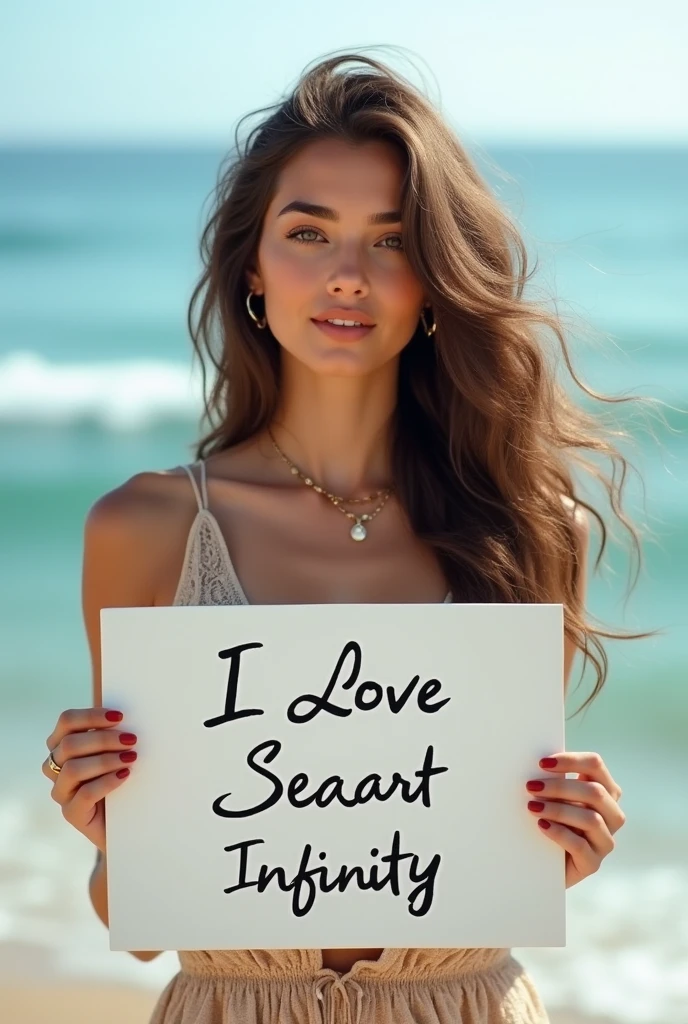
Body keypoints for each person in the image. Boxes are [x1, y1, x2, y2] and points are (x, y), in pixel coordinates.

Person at [43, 50, 651, 1024]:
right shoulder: (145, 527)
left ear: (435, 277)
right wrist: (110, 829)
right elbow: (139, 915)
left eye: (390, 240)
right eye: (308, 232)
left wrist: (567, 843)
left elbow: (490, 858)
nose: (345, 276)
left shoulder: (532, 524)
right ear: (252, 263)